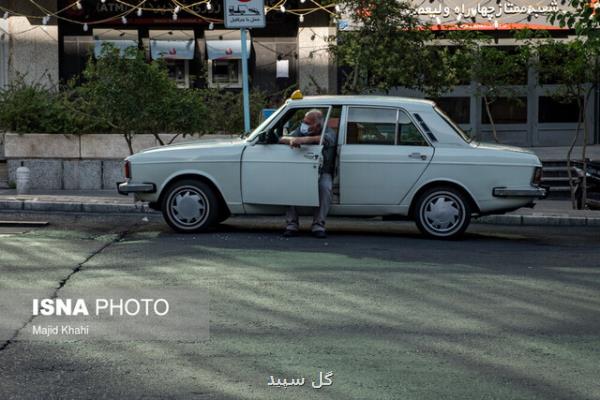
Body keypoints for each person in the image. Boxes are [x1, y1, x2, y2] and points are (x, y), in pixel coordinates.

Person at [279, 109, 337, 239]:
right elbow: (282, 138)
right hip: (301, 170)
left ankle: (318, 225)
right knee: (288, 186)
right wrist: (292, 140)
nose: (304, 125)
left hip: (323, 172)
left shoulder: (329, 133)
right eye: (304, 122)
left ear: (317, 125)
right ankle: (291, 225)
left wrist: (302, 140)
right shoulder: (301, 130)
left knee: (325, 188)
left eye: (308, 123)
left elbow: (325, 140)